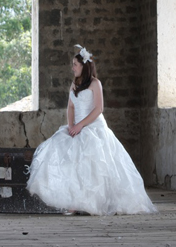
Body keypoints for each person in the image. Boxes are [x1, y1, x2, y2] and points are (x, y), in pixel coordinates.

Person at [26, 44, 157, 216]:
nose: (72, 67)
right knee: (60, 149)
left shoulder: (95, 83)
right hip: (77, 126)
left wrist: (81, 125)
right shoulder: (74, 83)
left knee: (92, 161)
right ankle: (73, 202)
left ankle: (92, 203)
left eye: (75, 64)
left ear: (84, 66)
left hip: (94, 126)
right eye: (73, 64)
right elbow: (70, 107)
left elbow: (98, 109)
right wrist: (71, 125)